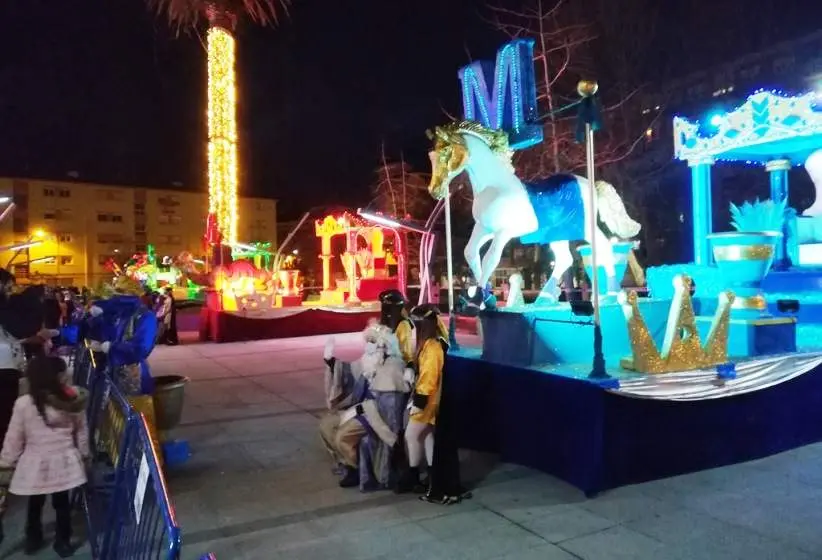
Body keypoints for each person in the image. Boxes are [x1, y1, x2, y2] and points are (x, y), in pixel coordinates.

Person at [0, 355, 89, 556]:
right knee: (62, 503)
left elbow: (14, 437)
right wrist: (84, 455)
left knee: (35, 502)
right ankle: (63, 541)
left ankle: (33, 537)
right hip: (64, 461)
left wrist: (6, 463)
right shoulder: (72, 399)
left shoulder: (24, 404)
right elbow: (81, 431)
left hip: (35, 462)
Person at [320, 322, 409, 489]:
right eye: (367, 341)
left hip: (375, 415)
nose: (368, 346)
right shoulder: (368, 361)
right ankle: (347, 463)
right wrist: (332, 362)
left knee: (342, 437)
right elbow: (350, 371)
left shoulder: (393, 368)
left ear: (384, 346)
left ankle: (357, 469)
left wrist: (366, 410)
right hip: (359, 408)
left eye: (372, 341)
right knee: (326, 425)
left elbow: (389, 411)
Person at [404, 304, 471, 505]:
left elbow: (429, 378)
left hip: (430, 401)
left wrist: (419, 401)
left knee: (412, 434)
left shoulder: (432, 347)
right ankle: (435, 483)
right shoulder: (434, 343)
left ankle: (420, 479)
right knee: (428, 438)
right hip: (435, 400)